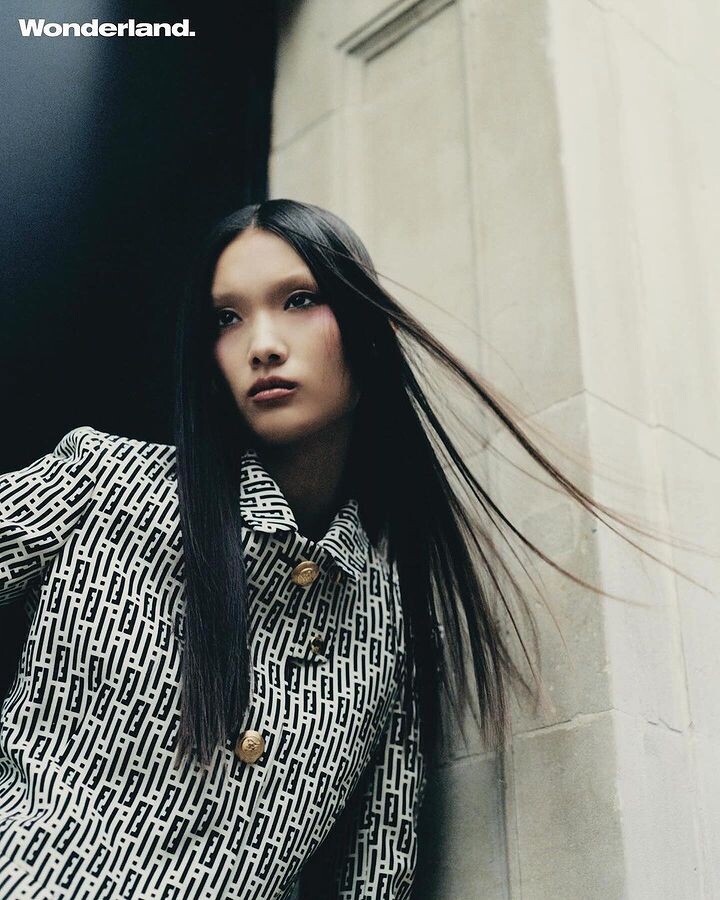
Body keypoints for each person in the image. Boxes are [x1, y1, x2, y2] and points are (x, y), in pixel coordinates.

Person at [0, 199, 685, 899]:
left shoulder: (393, 625)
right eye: (227, 318)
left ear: (367, 331)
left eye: (299, 301)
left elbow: (377, 876)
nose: (263, 344)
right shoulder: (104, 483)